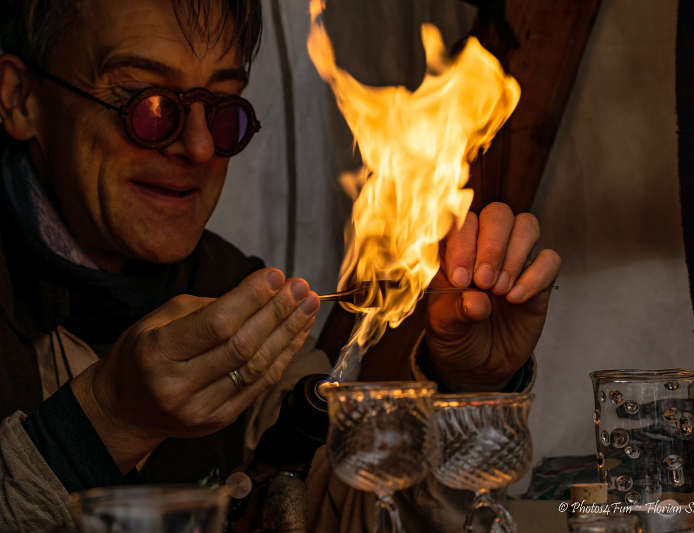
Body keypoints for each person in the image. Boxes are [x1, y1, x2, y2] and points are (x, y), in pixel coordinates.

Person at [0, 0, 561, 531]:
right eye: (149, 107)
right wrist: (107, 419)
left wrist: (465, 389)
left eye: (223, 113)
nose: (199, 149)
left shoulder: (230, 288)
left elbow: (360, 518)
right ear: (21, 98)